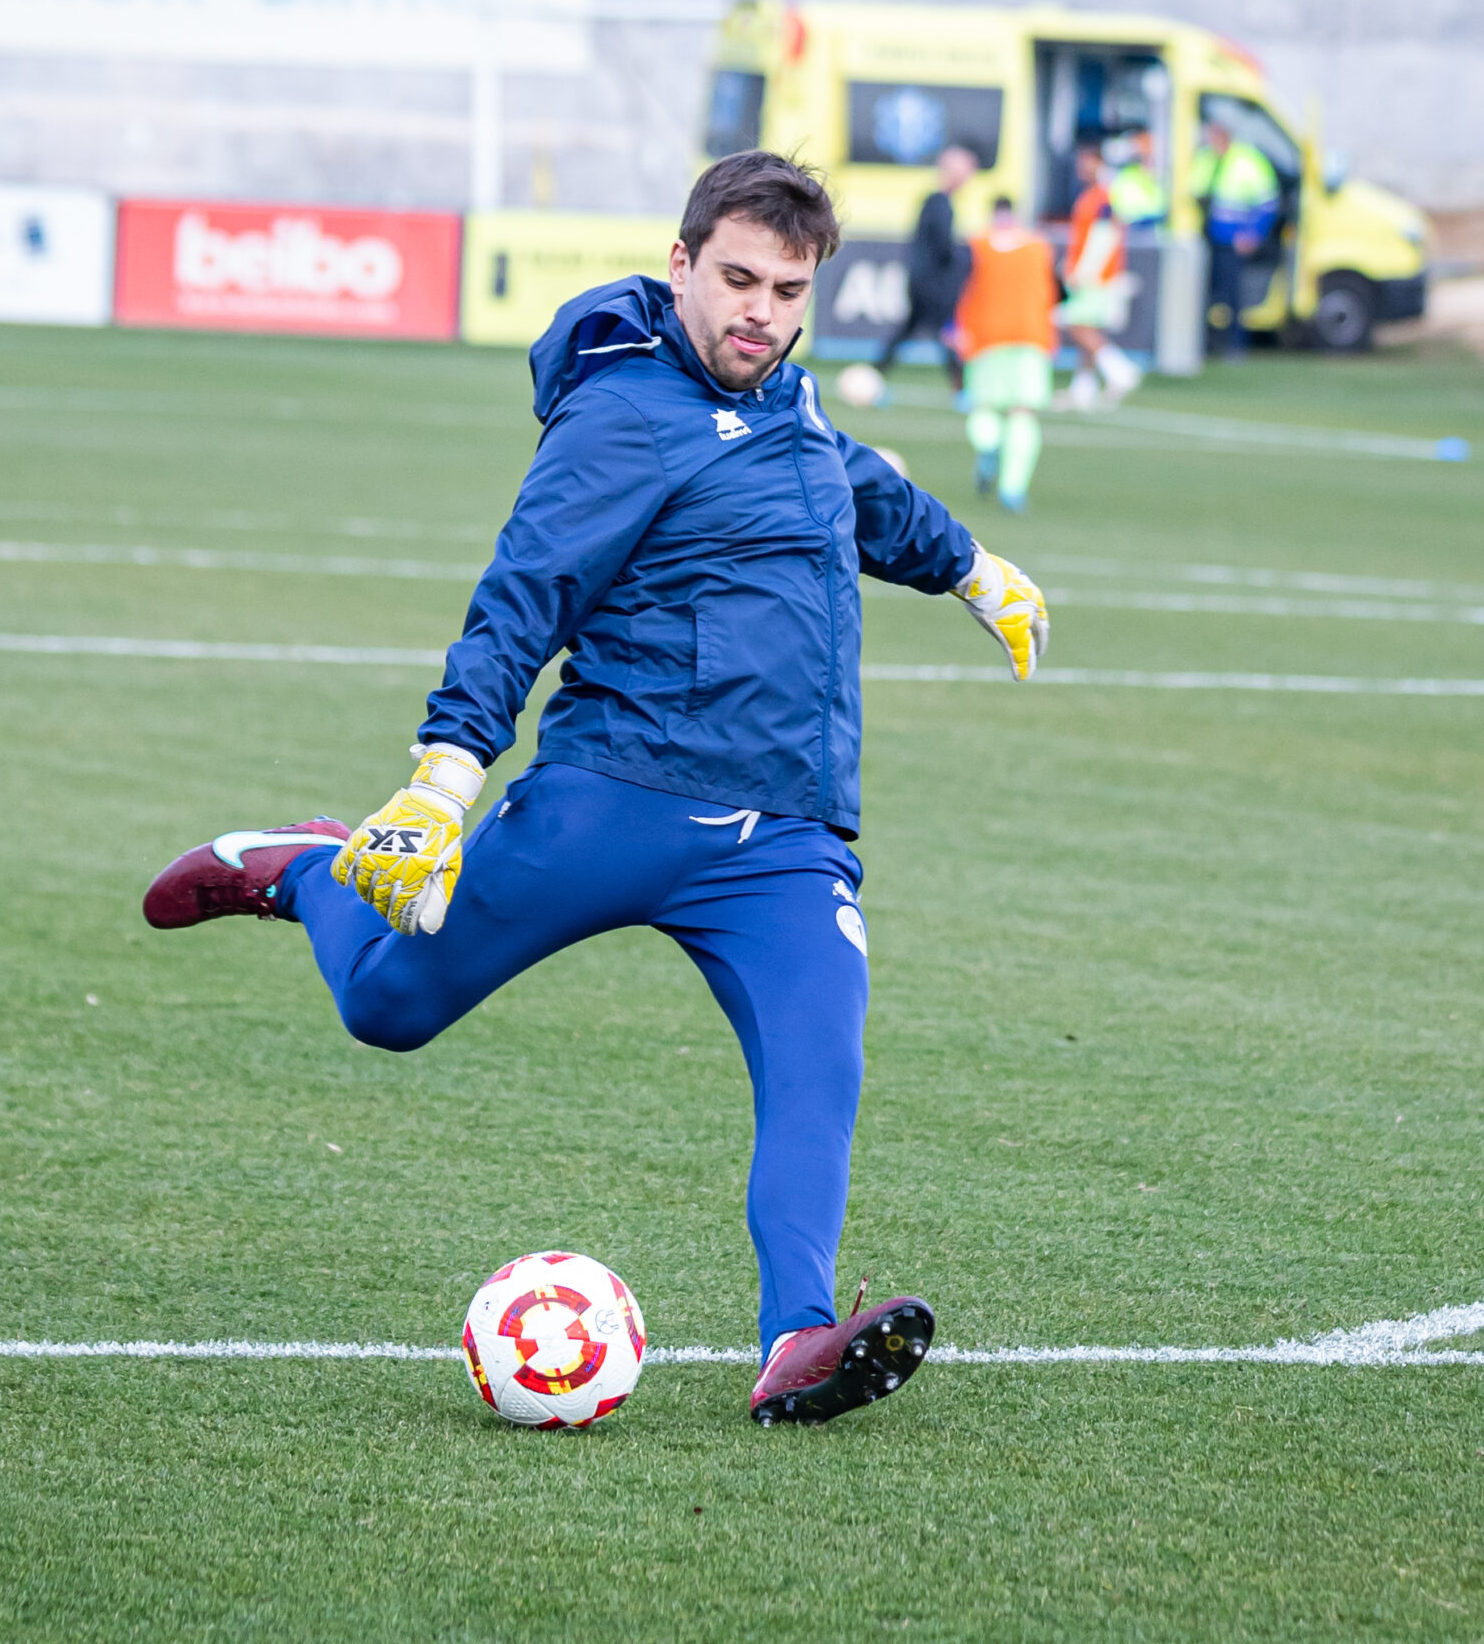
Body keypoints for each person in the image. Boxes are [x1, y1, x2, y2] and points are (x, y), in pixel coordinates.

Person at [140, 151, 1049, 1429]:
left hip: (783, 834)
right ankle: (303, 868)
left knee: (818, 1067)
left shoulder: (786, 400)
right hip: (613, 795)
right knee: (389, 1009)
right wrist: (444, 774)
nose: (761, 313)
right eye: (738, 280)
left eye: (789, 290)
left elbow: (849, 484)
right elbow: (526, 591)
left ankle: (798, 1336)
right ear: (680, 265)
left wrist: (968, 565)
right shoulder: (623, 413)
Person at [953, 196, 1061, 513]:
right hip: (1031, 337)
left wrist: (956, 327)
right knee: (1023, 412)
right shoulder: (1038, 246)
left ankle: (989, 444)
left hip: (986, 337)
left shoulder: (977, 245)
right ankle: (1013, 489)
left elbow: (960, 287)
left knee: (984, 406)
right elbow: (1054, 290)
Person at [875, 143, 977, 392]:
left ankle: (876, 371)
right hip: (932, 285)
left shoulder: (935, 202)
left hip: (923, 281)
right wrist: (965, 256)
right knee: (946, 332)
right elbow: (943, 248)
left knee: (911, 330)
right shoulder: (940, 204)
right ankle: (962, 387)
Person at [1053, 141, 1140, 410]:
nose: (1081, 167)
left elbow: (1106, 235)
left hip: (1096, 277)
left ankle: (1121, 371)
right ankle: (1083, 389)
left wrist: (1084, 271)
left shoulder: (1103, 196)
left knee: (1078, 326)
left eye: (1087, 161)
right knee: (1086, 329)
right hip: (1089, 273)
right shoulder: (1090, 195)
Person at [1188, 119, 1282, 358]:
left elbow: (1268, 203)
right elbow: (1193, 190)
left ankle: (1235, 346)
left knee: (1233, 294)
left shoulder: (1248, 161)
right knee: (1204, 292)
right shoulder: (1206, 159)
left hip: (1233, 241)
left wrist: (1253, 233)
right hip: (1207, 237)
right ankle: (1204, 344)